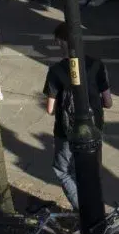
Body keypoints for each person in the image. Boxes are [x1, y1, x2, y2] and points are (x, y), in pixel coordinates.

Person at [42, 25, 112, 205]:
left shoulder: (56, 71)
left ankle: (81, 208)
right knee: (91, 170)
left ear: (59, 42)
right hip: (93, 129)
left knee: (63, 170)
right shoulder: (97, 65)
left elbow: (50, 109)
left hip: (66, 132)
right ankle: (96, 207)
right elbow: (108, 102)